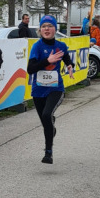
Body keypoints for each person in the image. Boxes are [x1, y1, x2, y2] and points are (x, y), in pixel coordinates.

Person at [27, 15, 73, 164]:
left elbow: (65, 57)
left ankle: (48, 153)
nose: (46, 29)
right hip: (38, 90)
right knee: (46, 121)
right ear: (40, 30)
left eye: (50, 26)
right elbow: (30, 69)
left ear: (55, 29)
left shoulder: (60, 45)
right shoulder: (37, 47)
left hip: (55, 89)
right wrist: (48, 61)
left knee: (46, 115)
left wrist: (69, 65)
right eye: (44, 26)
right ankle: (51, 127)